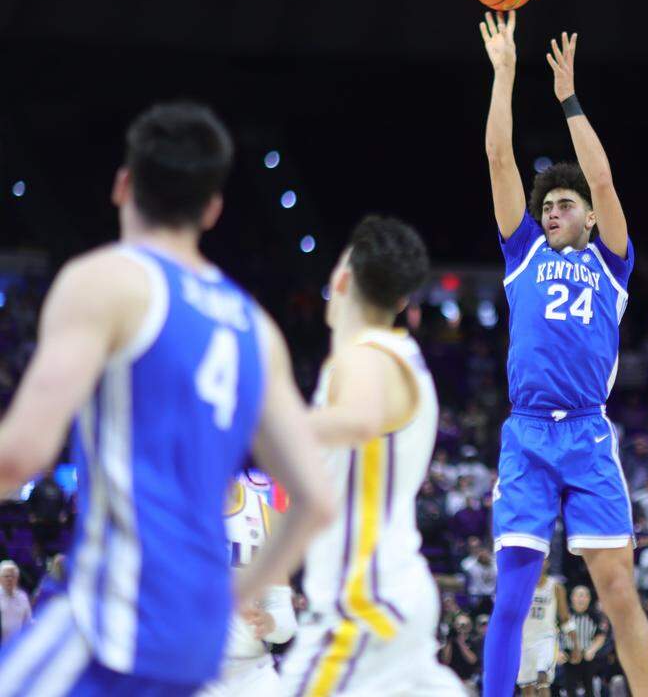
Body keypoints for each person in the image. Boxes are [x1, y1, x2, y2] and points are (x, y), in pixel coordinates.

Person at [0, 102, 333, 696]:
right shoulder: (255, 327)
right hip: (197, 645)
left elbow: (18, 455)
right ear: (212, 208)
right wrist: (235, 595)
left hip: (118, 621)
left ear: (123, 184)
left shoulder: (106, 281)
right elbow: (315, 500)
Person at [478, 9, 648, 696]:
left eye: (563, 203)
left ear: (585, 214)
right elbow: (499, 157)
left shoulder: (612, 263)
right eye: (546, 203)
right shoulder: (522, 254)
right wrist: (505, 74)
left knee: (618, 591)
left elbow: (604, 182)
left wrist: (568, 101)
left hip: (587, 432)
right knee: (514, 593)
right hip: (526, 433)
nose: (552, 210)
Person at [277, 215, 465, 696]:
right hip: (394, 591)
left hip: (365, 604)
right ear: (403, 300)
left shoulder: (366, 355)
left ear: (341, 279)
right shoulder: (400, 358)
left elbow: (358, 418)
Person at [197, 474, 296, 697]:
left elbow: (283, 622)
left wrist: (269, 623)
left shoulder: (265, 515)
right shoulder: (172, 510)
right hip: (190, 672)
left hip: (253, 674)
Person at [519, 562, 570, 697]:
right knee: (527, 687)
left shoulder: (555, 586)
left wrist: (575, 644)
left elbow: (565, 617)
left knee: (543, 676)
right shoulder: (521, 585)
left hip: (546, 639)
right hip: (524, 640)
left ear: (547, 562)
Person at [563, 586, 608, 696]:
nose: (581, 599)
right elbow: (553, 634)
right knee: (568, 687)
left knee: (590, 687)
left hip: (587, 655)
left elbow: (601, 636)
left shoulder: (595, 615)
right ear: (572, 598)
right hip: (567, 655)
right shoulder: (564, 614)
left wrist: (592, 650)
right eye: (579, 596)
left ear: (589, 599)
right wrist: (557, 652)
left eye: (585, 596)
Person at [0, 561, 32, 646]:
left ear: (17, 579)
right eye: (6, 576)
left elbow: (28, 621)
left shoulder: (22, 597)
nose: (9, 579)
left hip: (21, 646)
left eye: (12, 576)